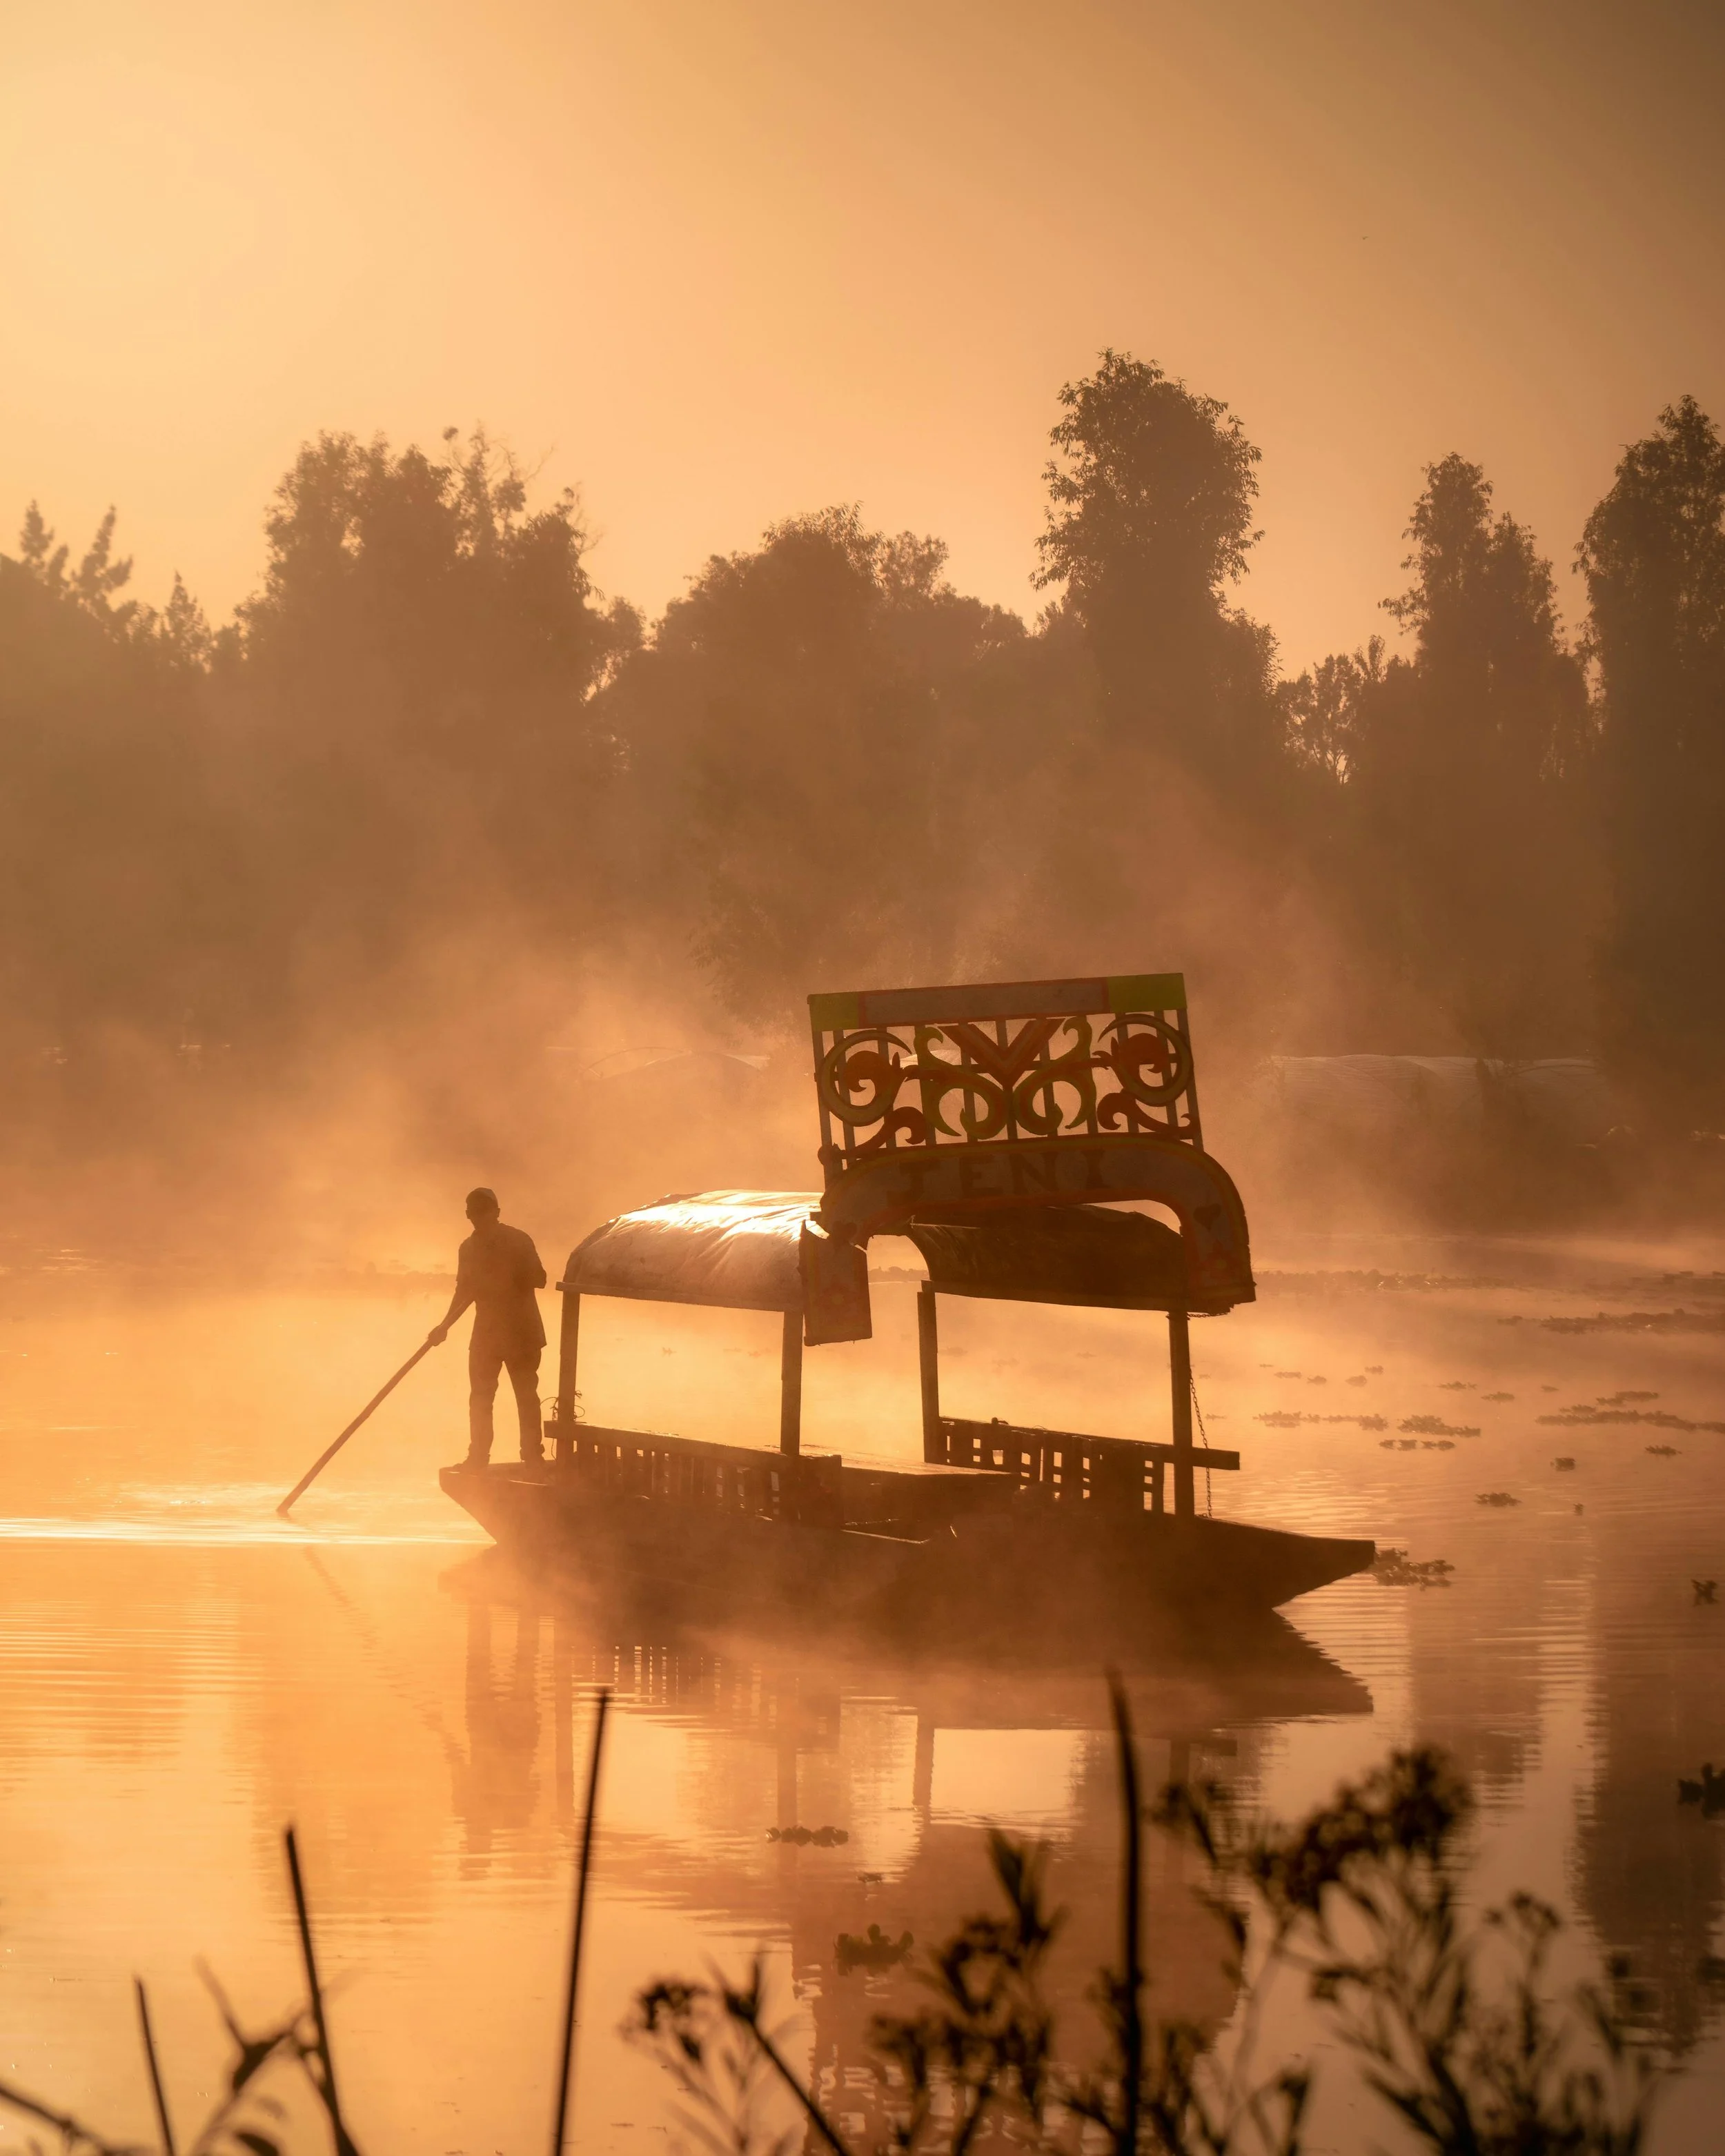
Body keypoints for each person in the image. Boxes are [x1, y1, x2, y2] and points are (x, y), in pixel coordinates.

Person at [428, 1187, 548, 1467]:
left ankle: (532, 1456)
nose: (481, 1218)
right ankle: (478, 1457)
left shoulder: (519, 1241)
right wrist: (444, 1326)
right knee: (480, 1398)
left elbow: (540, 1279)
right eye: (475, 1213)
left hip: (522, 1333)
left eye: (486, 1211)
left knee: (526, 1397)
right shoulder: (468, 1249)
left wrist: (505, 1275)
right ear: (468, 1216)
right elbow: (463, 1293)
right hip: (486, 1335)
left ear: (497, 1213)